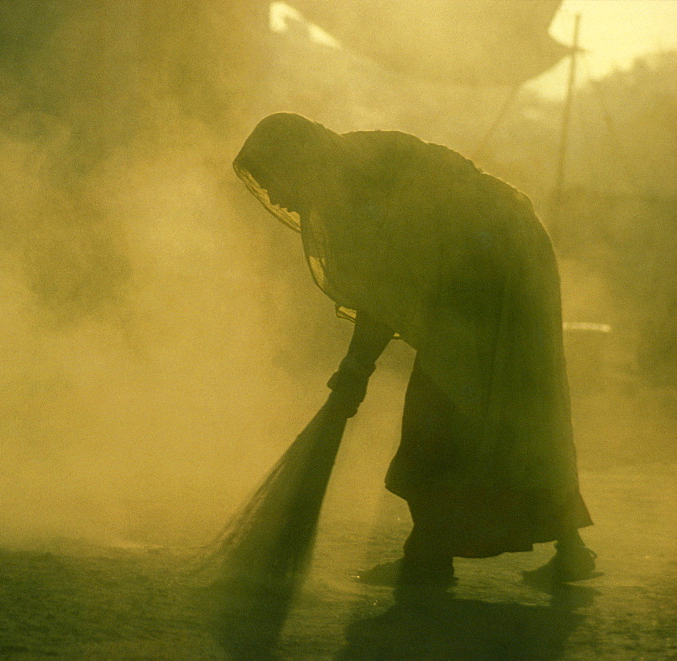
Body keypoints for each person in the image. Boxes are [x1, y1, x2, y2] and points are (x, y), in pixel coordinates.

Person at [233, 113, 597, 586]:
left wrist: (356, 369)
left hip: (495, 266)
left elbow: (386, 287)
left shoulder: (359, 186)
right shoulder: (349, 172)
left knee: (442, 415)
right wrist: (355, 370)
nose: (277, 197)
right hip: (499, 261)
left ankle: (430, 558)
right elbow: (387, 286)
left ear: (298, 160)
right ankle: (554, 552)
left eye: (275, 181)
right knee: (514, 409)